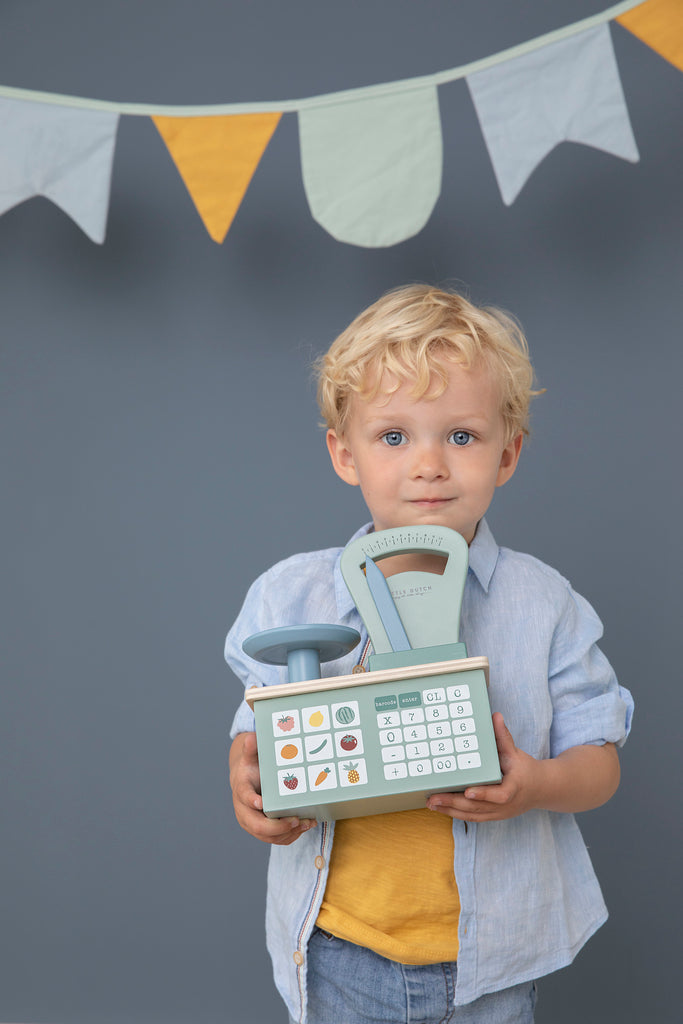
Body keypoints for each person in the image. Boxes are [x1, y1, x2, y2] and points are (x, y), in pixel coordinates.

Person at [226, 284, 633, 1024]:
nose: (427, 466)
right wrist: (252, 786)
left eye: (460, 436)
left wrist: (534, 784)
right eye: (392, 437)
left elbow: (599, 764)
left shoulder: (545, 605)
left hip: (495, 958)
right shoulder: (289, 598)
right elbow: (252, 739)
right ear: (342, 453)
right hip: (339, 948)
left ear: (506, 453)